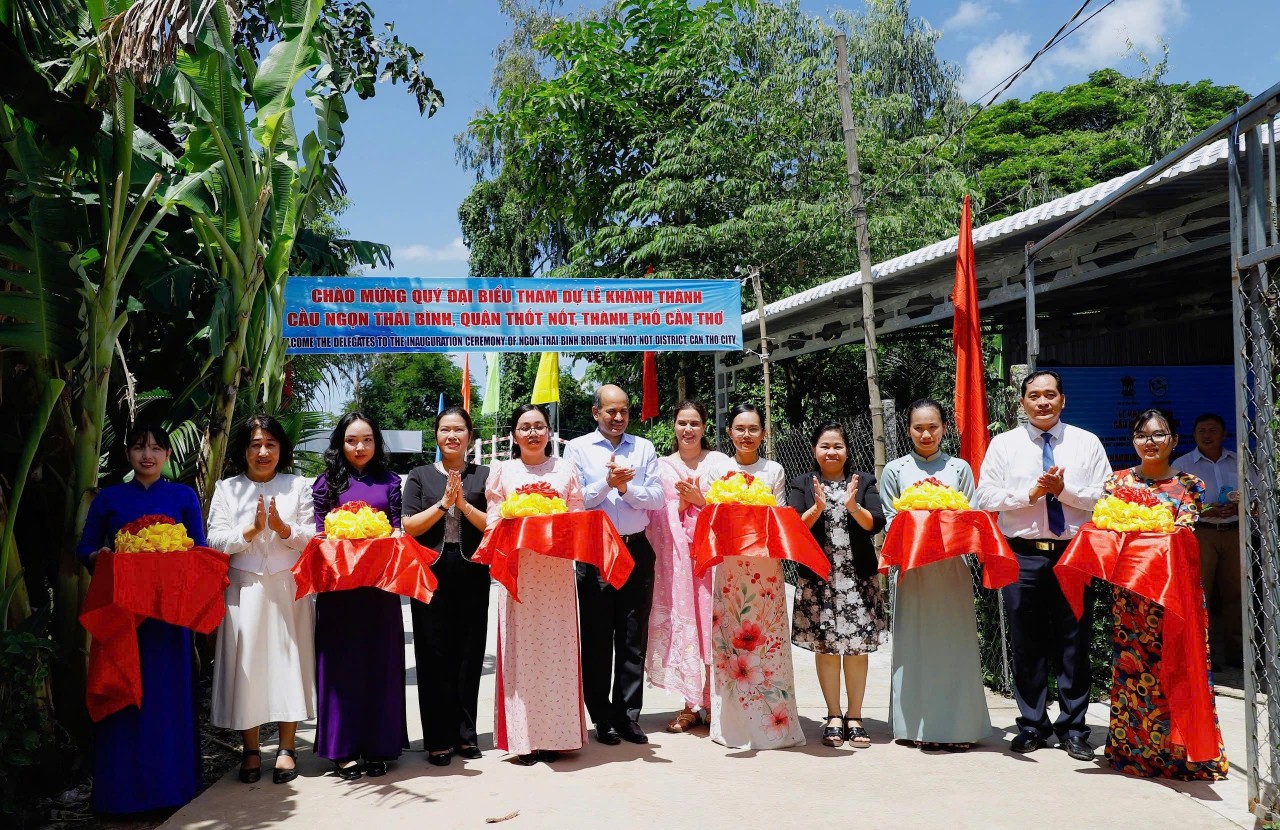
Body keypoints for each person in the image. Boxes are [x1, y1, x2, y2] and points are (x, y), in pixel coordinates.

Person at [976, 370, 1110, 761]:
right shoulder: (1004, 444)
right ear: (1023, 403)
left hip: (1074, 553)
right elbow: (986, 497)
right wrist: (1030, 494)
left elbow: (1105, 497)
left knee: (1074, 641)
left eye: (1050, 394)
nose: (1043, 402)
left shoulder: (1086, 442)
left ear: (1063, 400)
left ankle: (1074, 728)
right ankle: (1032, 725)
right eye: (1034, 396)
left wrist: (1064, 492)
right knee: (1027, 641)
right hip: (1022, 553)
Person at [76, 423, 205, 814]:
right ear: (127, 454)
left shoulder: (183, 496)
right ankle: (120, 796)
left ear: (168, 454)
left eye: (155, 448)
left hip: (169, 619)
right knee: (124, 695)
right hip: (122, 618)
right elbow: (85, 548)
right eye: (137, 448)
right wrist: (101, 557)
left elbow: (199, 551)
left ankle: (172, 790)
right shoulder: (109, 498)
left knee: (166, 700)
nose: (146, 455)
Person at [1104, 409, 1228, 779]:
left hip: (1176, 594)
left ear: (1173, 440)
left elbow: (1180, 532)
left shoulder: (1190, 484)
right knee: (1134, 673)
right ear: (1133, 441)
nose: (1150, 441)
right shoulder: (1117, 483)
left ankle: (1185, 754)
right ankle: (1134, 753)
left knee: (1180, 669)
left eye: (1159, 434)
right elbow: (1107, 533)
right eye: (1142, 435)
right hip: (1131, 598)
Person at [208, 415, 317, 786]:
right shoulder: (227, 489)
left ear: (281, 449)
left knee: (289, 663)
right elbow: (215, 540)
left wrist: (285, 530)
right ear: (244, 450)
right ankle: (251, 749)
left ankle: (287, 747)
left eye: (270, 444)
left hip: (288, 586)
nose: (263, 451)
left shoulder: (298, 486)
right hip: (244, 587)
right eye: (255, 444)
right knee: (248, 667)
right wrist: (251, 530)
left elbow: (313, 537)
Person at [880, 400, 990, 751]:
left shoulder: (959, 468)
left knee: (954, 644)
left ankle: (957, 728)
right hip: (913, 570)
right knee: (915, 645)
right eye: (918, 427)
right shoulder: (895, 470)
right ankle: (915, 726)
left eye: (932, 427)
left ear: (944, 428)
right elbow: (890, 520)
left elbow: (970, 515)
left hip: (951, 568)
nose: (926, 434)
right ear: (908, 429)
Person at [486, 403, 587, 765]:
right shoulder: (502, 471)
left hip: (556, 572)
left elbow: (577, 515)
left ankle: (557, 736)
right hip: (520, 572)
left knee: (558, 652)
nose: (532, 433)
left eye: (539, 426)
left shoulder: (565, 469)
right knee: (522, 653)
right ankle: (525, 738)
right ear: (514, 435)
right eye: (525, 427)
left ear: (549, 432)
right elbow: (494, 520)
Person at [565, 385, 665, 746]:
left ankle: (628, 716)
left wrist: (626, 490)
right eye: (611, 411)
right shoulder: (577, 448)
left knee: (632, 637)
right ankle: (602, 718)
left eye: (624, 411)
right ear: (596, 413)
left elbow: (657, 498)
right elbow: (575, 500)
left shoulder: (643, 448)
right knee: (596, 638)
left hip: (636, 549)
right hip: (596, 551)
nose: (618, 417)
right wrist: (607, 483)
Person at [310, 412, 406, 780]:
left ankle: (380, 745)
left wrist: (391, 538)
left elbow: (396, 531)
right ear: (340, 443)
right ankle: (343, 749)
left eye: (367, 439)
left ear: (377, 443)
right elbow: (319, 534)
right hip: (339, 591)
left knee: (380, 664)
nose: (360, 447)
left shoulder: (390, 482)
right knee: (342, 666)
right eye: (351, 440)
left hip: (380, 590)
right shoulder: (326, 484)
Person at [710, 403, 805, 750]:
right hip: (730, 566)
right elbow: (712, 518)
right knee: (730, 642)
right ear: (729, 433)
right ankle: (734, 726)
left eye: (753, 429)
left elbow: (777, 519)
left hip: (764, 569)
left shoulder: (774, 470)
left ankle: (773, 726)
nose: (746, 435)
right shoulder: (718, 469)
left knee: (767, 642)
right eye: (740, 428)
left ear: (764, 434)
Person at [787, 422, 886, 749]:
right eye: (825, 446)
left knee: (856, 649)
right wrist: (817, 508)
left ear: (847, 450)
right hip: (819, 580)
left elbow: (875, 524)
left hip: (857, 580)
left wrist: (853, 506)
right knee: (827, 648)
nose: (831, 452)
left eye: (837, 446)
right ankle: (833, 715)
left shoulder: (864, 481)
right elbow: (793, 527)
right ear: (814, 450)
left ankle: (855, 716)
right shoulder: (802, 483)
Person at [403, 406, 491, 766]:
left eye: (459, 430)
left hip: (472, 568)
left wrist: (463, 504)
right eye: (445, 430)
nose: (452, 436)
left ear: (470, 435)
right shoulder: (420, 475)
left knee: (469, 653)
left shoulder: (484, 475)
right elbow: (409, 525)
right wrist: (443, 504)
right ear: (436, 435)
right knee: (433, 653)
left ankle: (466, 735)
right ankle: (438, 738)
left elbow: (494, 524)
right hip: (430, 570)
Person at [646, 399, 731, 733]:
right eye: (682, 422)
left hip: (714, 557)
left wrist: (702, 501)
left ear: (704, 426)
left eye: (694, 423)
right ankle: (690, 705)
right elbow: (652, 515)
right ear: (674, 426)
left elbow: (734, 507)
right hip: (677, 563)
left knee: (714, 625)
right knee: (687, 626)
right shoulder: (661, 467)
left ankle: (717, 702)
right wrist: (679, 506)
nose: (688, 429)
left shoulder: (719, 463)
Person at [1172, 412, 1242, 669]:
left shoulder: (1239, 460)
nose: (1207, 435)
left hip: (1235, 532)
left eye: (1213, 430)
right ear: (1194, 435)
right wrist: (1202, 510)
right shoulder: (1182, 465)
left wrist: (1241, 507)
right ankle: (1206, 656)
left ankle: (1238, 654)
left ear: (1224, 434)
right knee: (1201, 594)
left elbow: (1256, 494)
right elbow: (1174, 504)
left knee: (1236, 594)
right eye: (1202, 431)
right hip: (1201, 533)